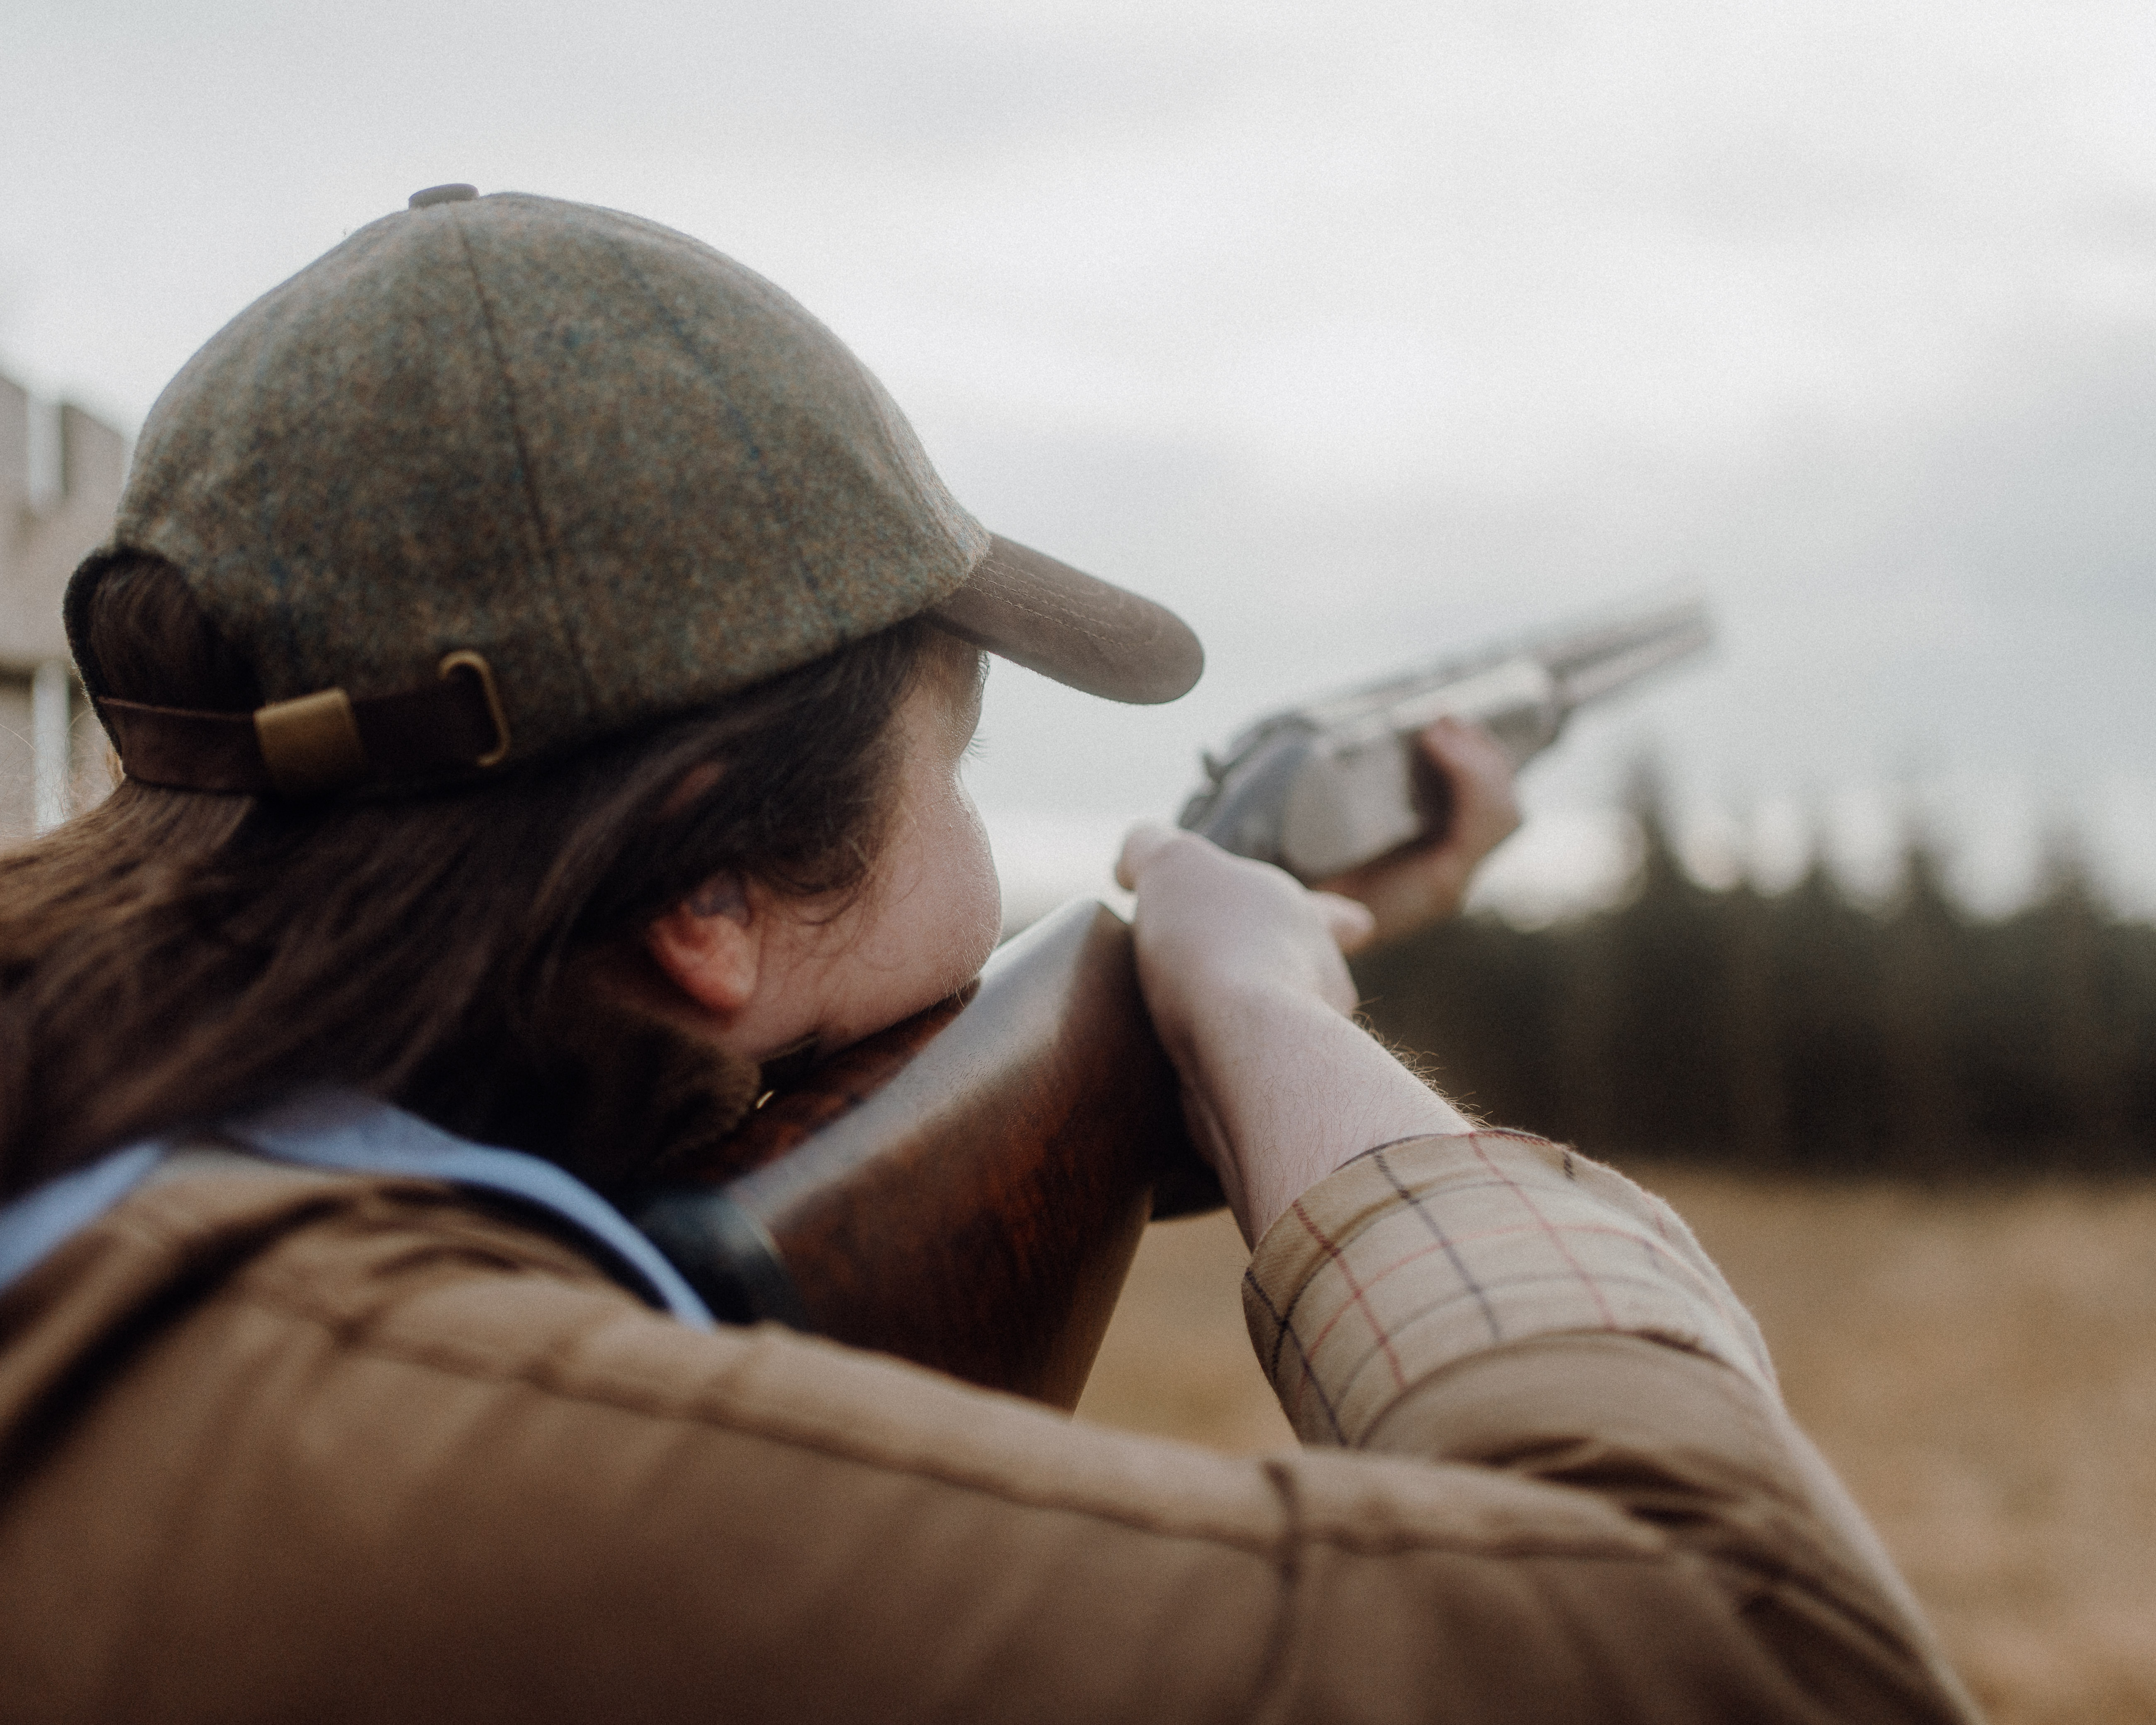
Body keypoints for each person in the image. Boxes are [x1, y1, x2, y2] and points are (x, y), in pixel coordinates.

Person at [0, 187, 1976, 1724]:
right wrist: (1270, 1016)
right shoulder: (387, 1448)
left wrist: (1176, 1043)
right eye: (957, 765)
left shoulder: (118, 1179)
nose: (982, 867)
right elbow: (1755, 1660)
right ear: (706, 901)